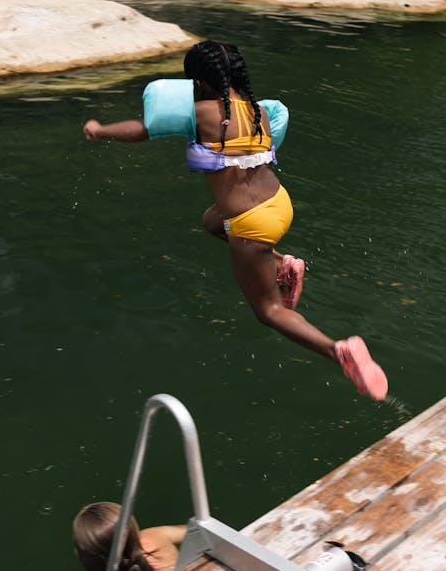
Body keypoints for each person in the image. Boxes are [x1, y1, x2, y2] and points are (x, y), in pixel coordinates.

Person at [82, 39, 387, 400]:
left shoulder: (200, 113)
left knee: (269, 310)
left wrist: (99, 130)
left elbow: (143, 130)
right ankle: (283, 263)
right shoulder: (259, 112)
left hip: (253, 222)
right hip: (279, 202)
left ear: (201, 81)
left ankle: (339, 351)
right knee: (212, 221)